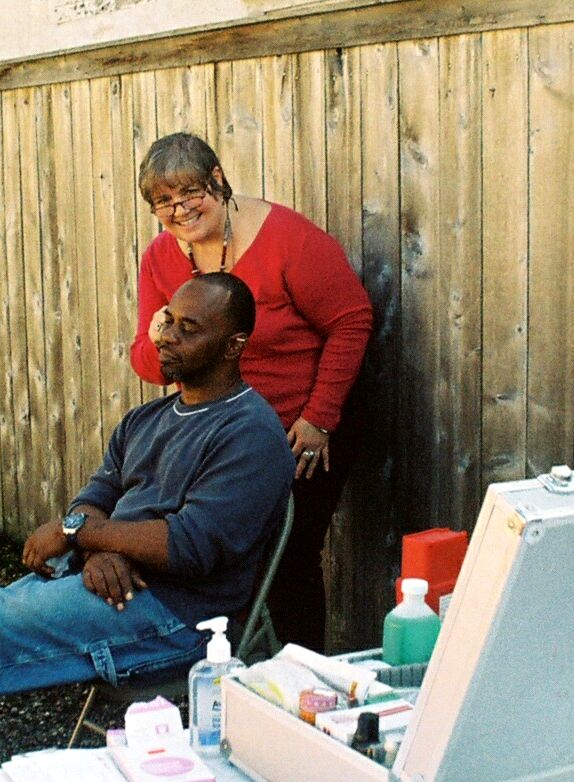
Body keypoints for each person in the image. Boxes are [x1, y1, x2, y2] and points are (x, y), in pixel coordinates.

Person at [131, 133, 373, 651]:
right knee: (209, 553)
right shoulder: (159, 259)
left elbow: (351, 320)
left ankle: (300, 679)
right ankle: (214, 672)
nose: (179, 209)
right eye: (163, 202)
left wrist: (320, 417)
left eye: (190, 192)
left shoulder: (286, 238)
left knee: (288, 561)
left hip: (301, 430)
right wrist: (158, 342)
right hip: (216, 436)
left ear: (218, 180)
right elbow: (151, 367)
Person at [0, 274, 294, 695]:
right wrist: (96, 548)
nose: (167, 337)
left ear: (233, 346)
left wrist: (80, 534)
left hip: (178, 616)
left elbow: (188, 547)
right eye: (168, 322)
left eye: (188, 329)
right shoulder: (145, 419)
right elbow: (95, 498)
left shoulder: (249, 433)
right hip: (105, 582)